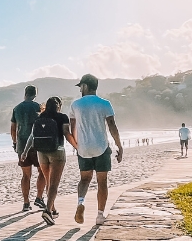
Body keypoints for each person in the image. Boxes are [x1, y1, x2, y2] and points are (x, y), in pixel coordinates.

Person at [70, 74, 123, 226]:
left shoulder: (75, 105)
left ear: (85, 86)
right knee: (102, 182)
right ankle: (100, 215)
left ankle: (81, 203)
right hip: (101, 147)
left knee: (85, 179)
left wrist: (76, 145)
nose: (80, 89)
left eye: (81, 86)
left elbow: (72, 127)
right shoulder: (105, 103)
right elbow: (112, 125)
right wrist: (119, 146)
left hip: (83, 148)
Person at [21, 96, 76, 225]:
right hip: (57, 152)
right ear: (59, 106)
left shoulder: (39, 118)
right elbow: (66, 134)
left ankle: (53, 209)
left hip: (41, 153)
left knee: (48, 181)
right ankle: (48, 211)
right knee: (54, 184)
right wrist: (77, 146)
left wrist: (25, 152)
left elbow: (32, 136)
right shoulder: (62, 117)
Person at [11, 85, 46, 211]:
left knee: (26, 176)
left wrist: (15, 143)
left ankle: (26, 203)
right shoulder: (38, 107)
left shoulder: (17, 108)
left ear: (25, 93)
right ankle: (39, 197)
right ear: (35, 94)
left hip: (21, 145)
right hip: (37, 145)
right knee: (42, 172)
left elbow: (13, 129)